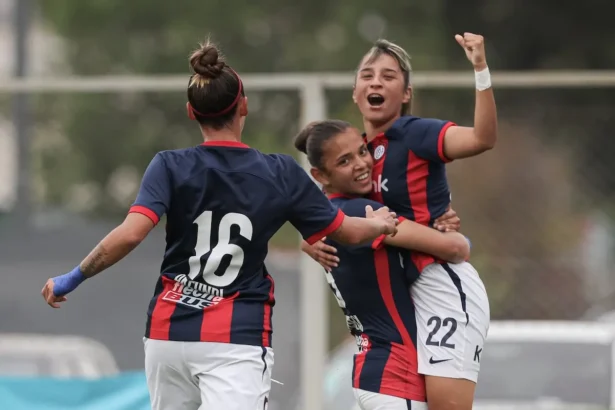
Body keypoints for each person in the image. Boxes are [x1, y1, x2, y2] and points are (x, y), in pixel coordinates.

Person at [40, 41, 399, 410]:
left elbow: (131, 233)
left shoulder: (168, 165)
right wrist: (382, 223)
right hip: (234, 338)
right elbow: (348, 232)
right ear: (244, 105)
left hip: (168, 334)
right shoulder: (280, 172)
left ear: (190, 113)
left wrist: (73, 277)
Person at [305, 34, 495, 410]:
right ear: (357, 92)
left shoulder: (416, 133)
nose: (376, 81)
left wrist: (480, 69)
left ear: (406, 93)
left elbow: (482, 139)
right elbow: (327, 211)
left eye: (389, 76)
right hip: (406, 293)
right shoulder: (354, 154)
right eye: (367, 75)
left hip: (441, 282)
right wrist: (310, 240)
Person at [295, 120, 472, 410]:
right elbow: (455, 248)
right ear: (320, 176)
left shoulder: (331, 217)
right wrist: (443, 224)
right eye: (344, 161)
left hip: (378, 371)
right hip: (395, 374)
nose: (361, 164)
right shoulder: (363, 215)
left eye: (362, 151)